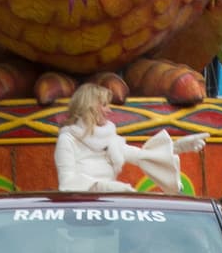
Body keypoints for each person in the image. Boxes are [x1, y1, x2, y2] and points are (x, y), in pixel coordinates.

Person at [53, 82, 205, 194]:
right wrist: (106, 187)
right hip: (79, 214)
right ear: (90, 106)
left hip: (109, 209)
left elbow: (143, 156)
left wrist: (179, 146)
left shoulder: (111, 140)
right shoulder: (68, 139)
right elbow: (68, 182)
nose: (109, 110)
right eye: (104, 105)